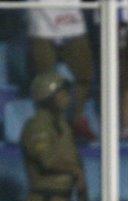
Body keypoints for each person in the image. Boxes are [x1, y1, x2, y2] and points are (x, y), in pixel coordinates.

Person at [21, 71, 87, 201]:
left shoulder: (62, 124)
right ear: (48, 97)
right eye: (62, 94)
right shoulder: (37, 126)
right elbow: (47, 160)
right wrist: (76, 171)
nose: (67, 98)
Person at [26, 0, 95, 141]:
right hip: (41, 26)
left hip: (74, 24)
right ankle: (49, 125)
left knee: (85, 76)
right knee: (44, 81)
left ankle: (77, 119)